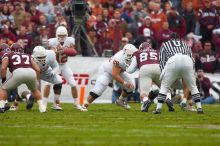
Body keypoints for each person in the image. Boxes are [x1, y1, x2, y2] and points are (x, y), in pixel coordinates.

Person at [153, 32, 204, 114]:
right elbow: (191, 58)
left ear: (170, 39)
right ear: (179, 39)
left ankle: (158, 108)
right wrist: (192, 71)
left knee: (164, 86)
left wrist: (164, 73)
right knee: (193, 86)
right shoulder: (185, 44)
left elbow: (162, 60)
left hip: (173, 60)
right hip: (187, 61)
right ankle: (200, 108)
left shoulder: (165, 44)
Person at [83, 44, 138, 110]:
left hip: (119, 72)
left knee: (131, 87)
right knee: (98, 91)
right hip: (107, 71)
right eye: (128, 54)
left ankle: (120, 101)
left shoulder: (136, 55)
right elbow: (115, 75)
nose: (130, 56)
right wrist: (125, 83)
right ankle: (85, 105)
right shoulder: (118, 58)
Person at [9, 46, 63, 111]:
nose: (42, 59)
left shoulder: (50, 55)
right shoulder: (29, 59)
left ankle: (56, 104)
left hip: (45, 72)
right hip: (33, 73)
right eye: (39, 57)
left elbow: (56, 67)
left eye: (43, 57)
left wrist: (52, 72)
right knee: (23, 89)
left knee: (58, 81)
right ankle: (15, 104)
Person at [126, 42, 174, 112]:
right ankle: (168, 99)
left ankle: (146, 101)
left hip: (145, 69)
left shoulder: (137, 53)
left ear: (140, 48)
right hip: (158, 68)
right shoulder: (157, 52)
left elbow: (130, 70)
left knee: (144, 93)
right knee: (165, 88)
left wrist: (127, 66)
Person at [47, 26, 86, 111]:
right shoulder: (51, 41)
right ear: (56, 35)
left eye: (63, 35)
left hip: (64, 65)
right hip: (55, 65)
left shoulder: (70, 40)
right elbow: (49, 53)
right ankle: (51, 104)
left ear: (67, 35)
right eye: (60, 36)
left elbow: (74, 52)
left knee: (73, 83)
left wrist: (64, 50)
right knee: (49, 84)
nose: (62, 37)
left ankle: (76, 104)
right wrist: (55, 50)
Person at [0, 43, 46, 113]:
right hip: (31, 72)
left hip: (17, 72)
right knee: (35, 90)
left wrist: (3, 79)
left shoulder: (8, 54)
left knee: (3, 89)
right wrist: (36, 79)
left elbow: (3, 68)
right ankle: (42, 108)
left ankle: (1, 106)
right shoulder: (28, 55)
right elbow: (38, 69)